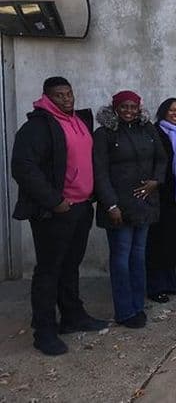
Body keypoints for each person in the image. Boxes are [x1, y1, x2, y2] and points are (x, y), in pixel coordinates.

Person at [11, 77, 108, 355]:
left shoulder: (79, 120)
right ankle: (44, 331)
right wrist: (54, 201)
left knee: (70, 266)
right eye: (59, 95)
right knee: (49, 270)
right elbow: (23, 167)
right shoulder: (37, 127)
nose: (66, 99)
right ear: (47, 97)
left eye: (69, 94)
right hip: (55, 211)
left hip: (81, 207)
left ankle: (72, 316)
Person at [93, 90, 167, 328]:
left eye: (133, 107)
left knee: (138, 256)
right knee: (121, 259)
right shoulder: (104, 134)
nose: (129, 111)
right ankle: (125, 311)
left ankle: (137, 305)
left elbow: (161, 159)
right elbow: (100, 172)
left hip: (144, 204)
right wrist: (111, 204)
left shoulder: (147, 129)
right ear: (115, 108)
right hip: (119, 206)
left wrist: (156, 181)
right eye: (124, 107)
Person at [147, 98, 176, 303]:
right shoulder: (154, 132)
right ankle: (155, 286)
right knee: (157, 242)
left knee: (174, 242)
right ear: (163, 111)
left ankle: (170, 283)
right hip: (160, 196)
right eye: (172, 110)